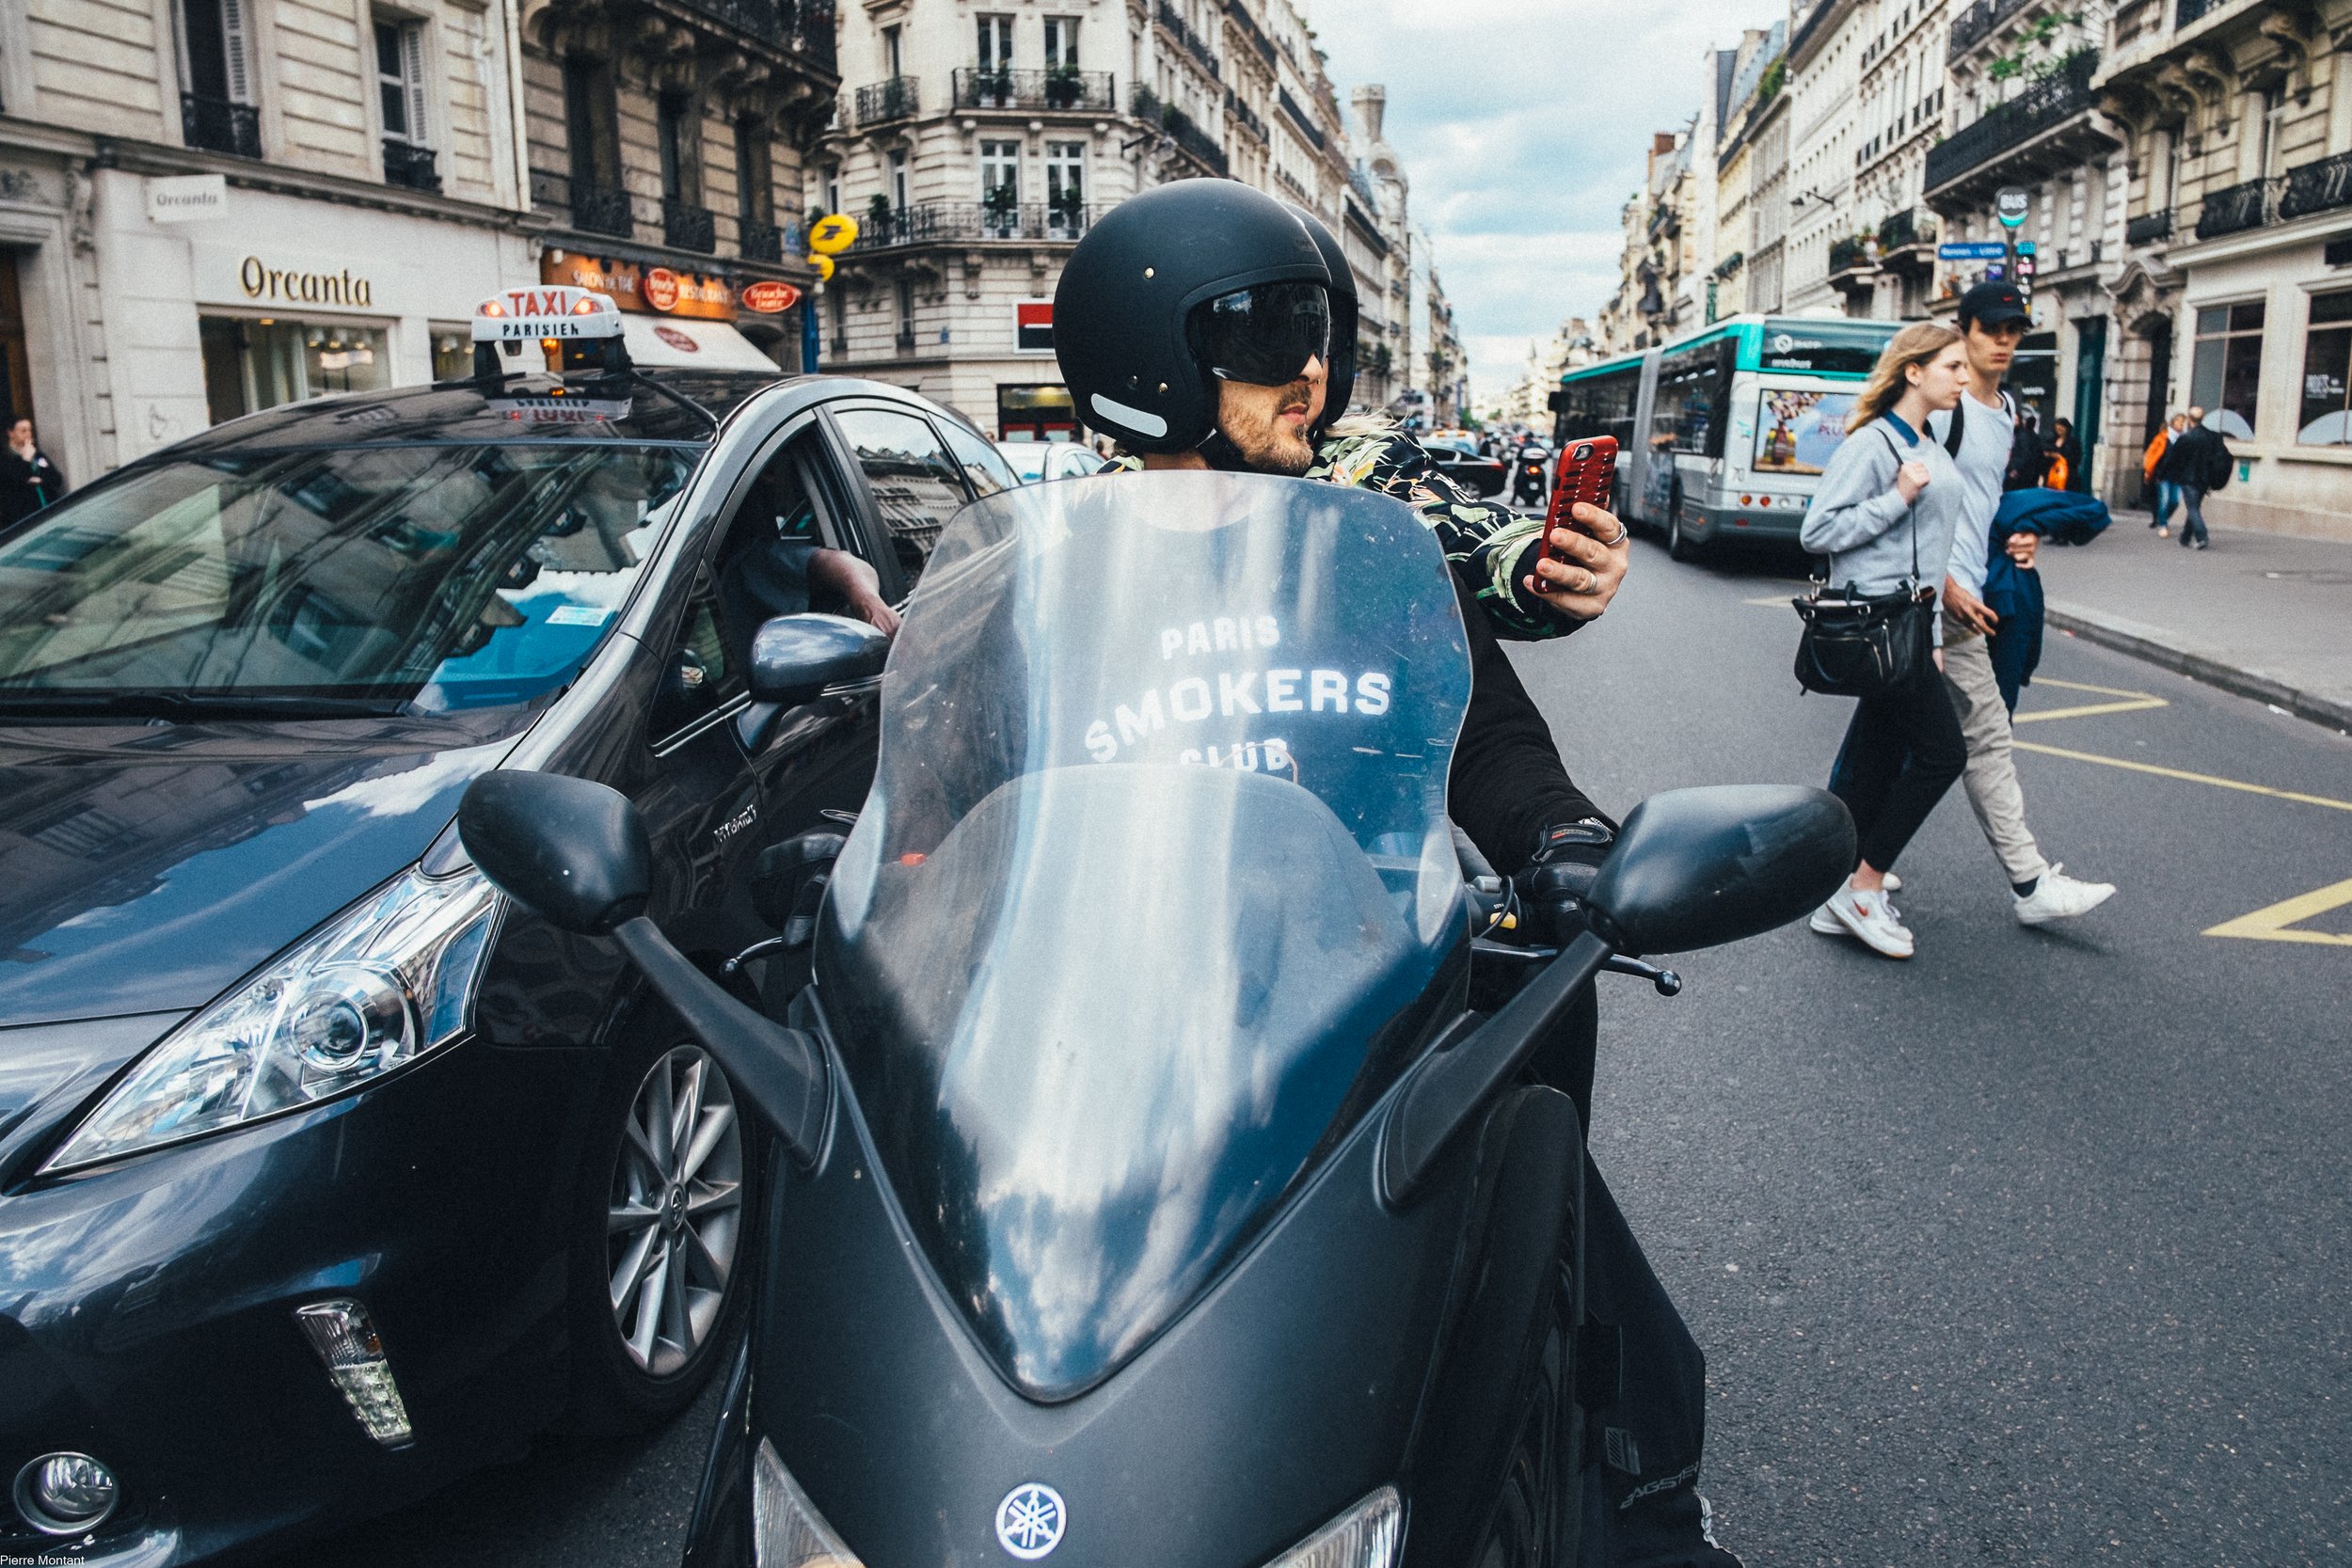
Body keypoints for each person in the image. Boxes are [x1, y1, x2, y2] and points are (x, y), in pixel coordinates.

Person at [1057, 182, 1740, 1567]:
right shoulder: (1062, 568)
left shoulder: (1364, 539)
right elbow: (966, 768)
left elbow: (1482, 705)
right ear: (1152, 359)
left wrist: (1566, 837)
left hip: (1347, 1004)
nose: (1312, 366)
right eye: (1266, 334)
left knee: (1598, 1312)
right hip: (1111, 1019)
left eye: (1321, 328)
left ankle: (1627, 1486)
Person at [1920, 281, 2117, 929]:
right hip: (1940, 598)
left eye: (2014, 332)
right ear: (1964, 329)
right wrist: (1943, 583)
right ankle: (2030, 883)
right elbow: (1911, 498)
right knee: (1988, 738)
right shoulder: (1944, 410)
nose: (2004, 342)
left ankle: (1854, 868)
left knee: (1895, 735)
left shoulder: (2006, 410)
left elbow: (1980, 503)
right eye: (1992, 330)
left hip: (1973, 589)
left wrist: (2018, 535)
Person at [1798, 323, 1973, 959]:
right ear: (1913, 372)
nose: (1963, 376)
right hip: (1875, 621)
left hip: (1907, 624)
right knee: (1942, 753)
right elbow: (1818, 530)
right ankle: (1863, 886)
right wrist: (1897, 498)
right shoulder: (1874, 445)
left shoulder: (1928, 439)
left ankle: (1834, 880)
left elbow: (1930, 545)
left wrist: (1929, 632)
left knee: (1875, 756)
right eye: (1952, 366)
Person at [2160, 407, 2231, 551]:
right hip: (2205, 480)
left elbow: (2173, 459)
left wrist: (2164, 474)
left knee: (2192, 508)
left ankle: (2202, 536)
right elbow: (2223, 458)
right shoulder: (2213, 437)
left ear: (2189, 419)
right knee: (2194, 507)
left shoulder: (2186, 438)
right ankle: (2185, 537)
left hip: (2189, 479)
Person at [0, 418, 65, 527]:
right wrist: (25, 460)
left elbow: (57, 479)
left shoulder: (37, 454)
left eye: (30, 430)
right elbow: (12, 482)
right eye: (23, 431)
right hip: (23, 517)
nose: (28, 434)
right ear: (11, 433)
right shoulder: (4, 458)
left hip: (48, 509)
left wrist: (41, 480)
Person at [2144, 412, 2187, 537]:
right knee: (2164, 500)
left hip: (2178, 475)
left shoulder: (2185, 439)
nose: (2181, 424)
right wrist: (2149, 471)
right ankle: (2163, 525)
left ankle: (2163, 518)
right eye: (2179, 421)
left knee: (2175, 501)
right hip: (2163, 475)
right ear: (2173, 423)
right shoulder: (2162, 438)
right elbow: (2151, 454)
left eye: (2183, 421)